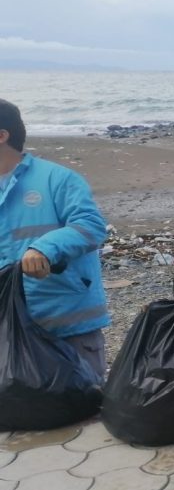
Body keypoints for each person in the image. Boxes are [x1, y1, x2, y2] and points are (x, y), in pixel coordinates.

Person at [0, 99, 110, 382]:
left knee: (84, 406)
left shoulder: (57, 179)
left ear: (2, 135)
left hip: (67, 321)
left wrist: (44, 248)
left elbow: (90, 226)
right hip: (10, 324)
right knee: (23, 409)